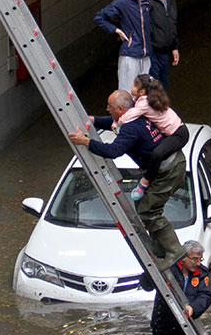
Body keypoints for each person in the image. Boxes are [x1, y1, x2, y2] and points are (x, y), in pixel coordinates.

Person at [67, 90, 186, 270]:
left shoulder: (130, 128)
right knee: (143, 206)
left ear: (121, 109)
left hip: (169, 170)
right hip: (167, 166)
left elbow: (113, 151)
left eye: (110, 107)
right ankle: (161, 246)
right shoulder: (134, 116)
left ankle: (174, 250)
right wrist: (93, 120)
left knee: (148, 210)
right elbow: (113, 123)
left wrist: (86, 142)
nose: (107, 109)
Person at [113, 74, 189, 201]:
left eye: (134, 84)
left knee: (157, 154)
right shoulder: (144, 99)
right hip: (174, 131)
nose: (131, 86)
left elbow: (129, 116)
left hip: (179, 134)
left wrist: (117, 123)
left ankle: (145, 182)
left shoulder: (144, 103)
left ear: (142, 91)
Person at [94, 0, 153, 92]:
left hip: (146, 55)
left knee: (144, 94)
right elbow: (99, 18)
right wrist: (116, 30)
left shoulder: (150, 2)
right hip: (130, 54)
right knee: (126, 92)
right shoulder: (123, 2)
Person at [141, 240, 211, 335]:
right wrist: (150, 271)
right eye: (195, 259)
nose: (198, 263)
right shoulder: (167, 268)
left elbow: (206, 295)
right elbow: (147, 287)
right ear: (183, 258)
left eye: (201, 259)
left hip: (188, 325)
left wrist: (193, 308)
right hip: (162, 324)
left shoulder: (202, 273)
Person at [147, 0, 179, 90]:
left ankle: (160, 108)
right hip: (152, 52)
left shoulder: (171, 2)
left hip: (164, 51)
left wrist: (174, 47)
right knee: (154, 86)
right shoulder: (147, 1)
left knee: (163, 85)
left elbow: (172, 25)